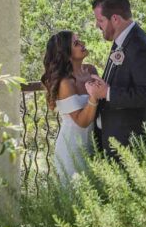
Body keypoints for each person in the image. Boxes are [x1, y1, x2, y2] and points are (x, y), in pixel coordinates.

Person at [85, 0, 146, 159]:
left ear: (115, 19)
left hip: (131, 146)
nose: (97, 25)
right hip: (115, 142)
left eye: (100, 20)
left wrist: (107, 93)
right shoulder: (121, 41)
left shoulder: (141, 46)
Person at [41, 30, 101, 180]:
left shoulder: (91, 70)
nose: (82, 44)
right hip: (72, 149)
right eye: (76, 43)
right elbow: (82, 121)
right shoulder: (65, 83)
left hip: (93, 142)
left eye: (79, 40)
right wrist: (94, 95)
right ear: (66, 54)